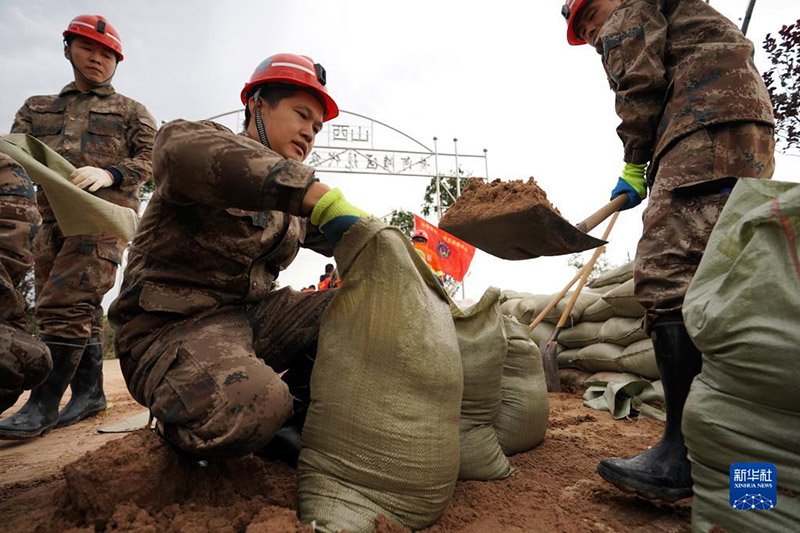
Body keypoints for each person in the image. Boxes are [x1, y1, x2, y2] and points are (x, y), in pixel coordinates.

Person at [108, 53, 370, 462]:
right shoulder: (208, 150)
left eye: (317, 127)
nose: (309, 132)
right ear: (257, 104)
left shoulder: (294, 205)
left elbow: (358, 237)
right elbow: (173, 148)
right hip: (169, 332)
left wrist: (390, 245)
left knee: (365, 308)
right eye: (301, 115)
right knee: (253, 405)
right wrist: (309, 192)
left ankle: (299, 421)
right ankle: (194, 417)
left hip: (251, 321)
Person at [561, 0, 775, 501]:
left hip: (704, 127)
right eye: (585, 30)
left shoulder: (632, 6)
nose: (594, 34)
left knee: (664, 273)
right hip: (738, 126)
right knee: (723, 286)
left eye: (591, 20)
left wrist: (636, 160)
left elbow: (638, 81)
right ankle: (747, 475)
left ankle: (683, 453)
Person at [0, 15, 156, 439]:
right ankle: (89, 395)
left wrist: (112, 174)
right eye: (88, 48)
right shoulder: (36, 108)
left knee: (62, 304)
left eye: (107, 54)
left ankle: (42, 406)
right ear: (67, 48)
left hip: (100, 219)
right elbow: (16, 158)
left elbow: (153, 157)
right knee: (77, 311)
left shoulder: (130, 112)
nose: (97, 59)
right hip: (48, 221)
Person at [0, 154, 53, 415]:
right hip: (50, 207)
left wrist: (114, 174)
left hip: (79, 213)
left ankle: (81, 397)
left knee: (24, 355)